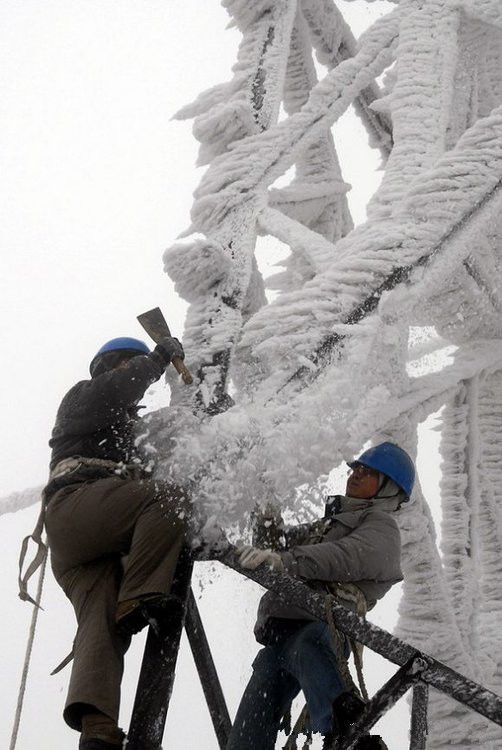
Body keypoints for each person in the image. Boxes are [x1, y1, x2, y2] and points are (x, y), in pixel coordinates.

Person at [43, 334, 191, 750]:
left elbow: (177, 434)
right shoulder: (84, 397)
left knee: (101, 626)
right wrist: (159, 358)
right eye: (128, 365)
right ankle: (140, 596)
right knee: (168, 498)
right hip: (77, 507)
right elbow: (121, 386)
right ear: (108, 366)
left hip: (84, 541)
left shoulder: (131, 431)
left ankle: (98, 730)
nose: (134, 375)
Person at [228, 442, 415, 750]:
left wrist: (285, 561)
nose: (355, 475)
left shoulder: (381, 526)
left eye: (367, 472)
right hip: (284, 635)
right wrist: (264, 505)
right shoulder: (332, 524)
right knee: (257, 708)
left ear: (388, 488)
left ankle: (351, 731)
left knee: (309, 644)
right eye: (355, 468)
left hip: (321, 628)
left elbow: (345, 556)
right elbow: (279, 547)